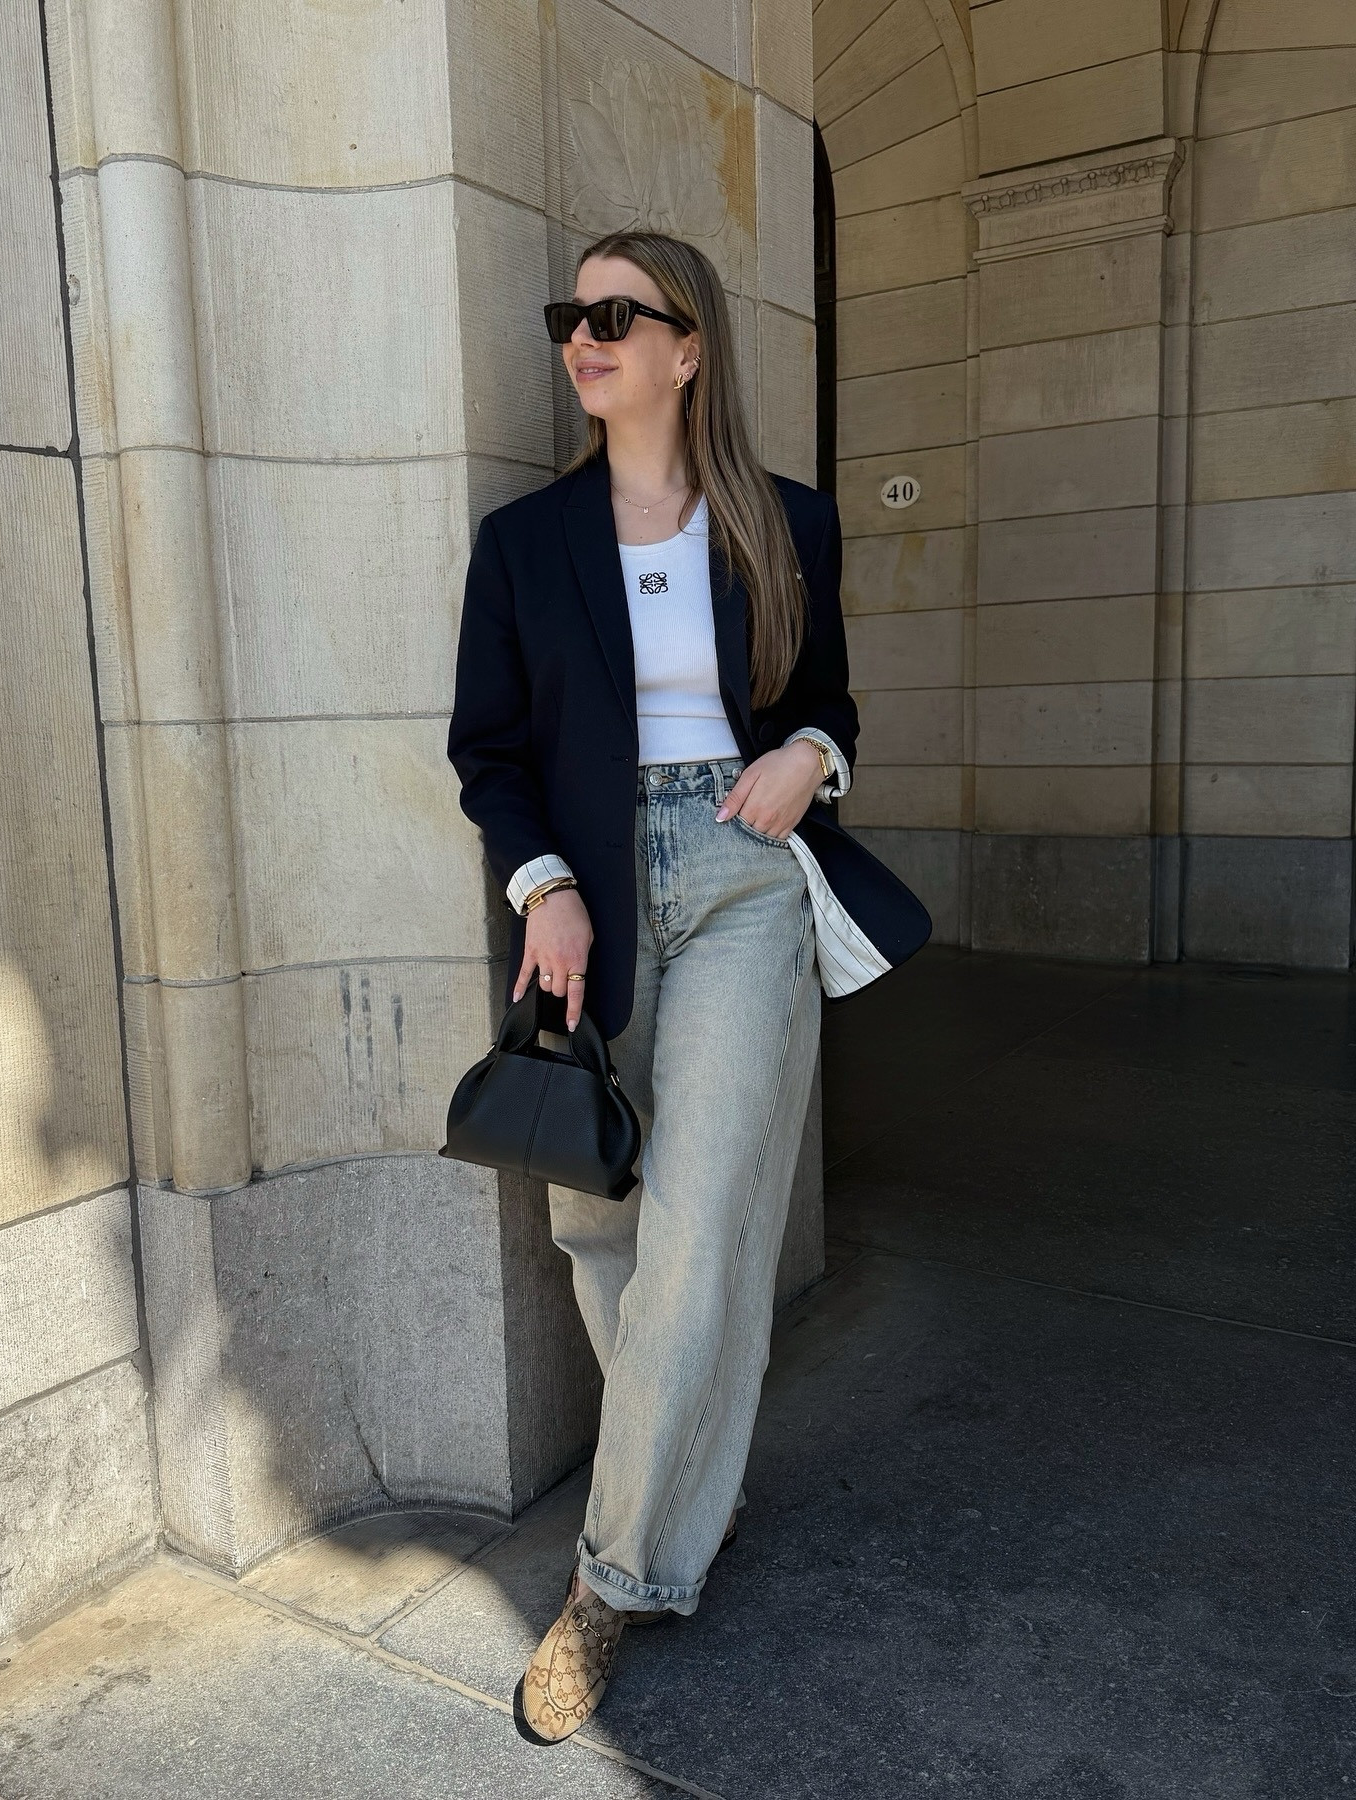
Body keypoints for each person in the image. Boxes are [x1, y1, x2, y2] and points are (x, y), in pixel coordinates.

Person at [448, 230, 899, 1745]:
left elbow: (827, 695)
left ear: (689, 346)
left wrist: (806, 755)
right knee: (598, 1220)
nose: (585, 335)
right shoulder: (524, 543)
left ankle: (612, 1581)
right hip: (589, 889)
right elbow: (489, 753)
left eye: (618, 314)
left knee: (698, 1241)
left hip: (740, 873)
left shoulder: (786, 523)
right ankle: (688, 1470)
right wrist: (545, 886)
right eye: (572, 314)